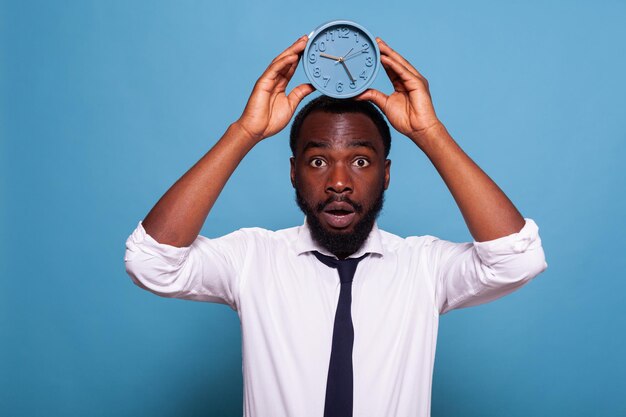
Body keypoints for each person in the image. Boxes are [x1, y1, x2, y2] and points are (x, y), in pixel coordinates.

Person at [124, 35, 547, 417]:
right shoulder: (252, 258)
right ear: (294, 172)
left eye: (360, 161)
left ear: (386, 174)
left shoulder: (424, 267)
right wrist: (245, 132)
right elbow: (151, 262)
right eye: (318, 161)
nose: (339, 182)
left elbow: (517, 260)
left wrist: (429, 132)